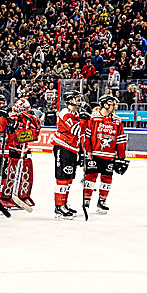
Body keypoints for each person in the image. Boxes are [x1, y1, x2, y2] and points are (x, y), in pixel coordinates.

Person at [81, 94, 128, 214]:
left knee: (107, 179)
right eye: (112, 104)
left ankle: (102, 201)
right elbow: (87, 136)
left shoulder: (117, 120)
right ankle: (86, 199)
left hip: (110, 155)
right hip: (95, 154)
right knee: (91, 177)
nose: (114, 107)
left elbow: (121, 140)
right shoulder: (94, 118)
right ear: (105, 104)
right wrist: (88, 151)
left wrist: (121, 158)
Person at [51, 90, 90, 219]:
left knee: (68, 177)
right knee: (62, 177)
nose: (79, 101)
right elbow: (76, 130)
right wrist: (84, 121)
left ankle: (64, 203)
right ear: (70, 100)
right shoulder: (65, 114)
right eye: (77, 99)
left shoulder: (75, 113)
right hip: (63, 147)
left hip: (72, 148)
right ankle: (59, 206)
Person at [0, 98, 41, 209]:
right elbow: (12, 137)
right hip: (12, 150)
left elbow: (35, 134)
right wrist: (22, 134)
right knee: (10, 175)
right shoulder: (11, 118)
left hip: (24, 150)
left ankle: (24, 196)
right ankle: (5, 197)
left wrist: (27, 131)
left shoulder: (29, 119)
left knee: (26, 175)